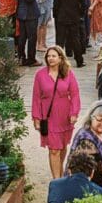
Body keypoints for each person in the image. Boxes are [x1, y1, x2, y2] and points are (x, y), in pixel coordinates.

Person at [32, 45, 81, 179]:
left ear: (60, 58)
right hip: (48, 116)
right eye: (48, 56)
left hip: (64, 116)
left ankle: (60, 173)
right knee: (54, 150)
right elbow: (36, 97)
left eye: (54, 56)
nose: (50, 59)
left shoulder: (68, 73)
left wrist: (74, 113)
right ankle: (57, 180)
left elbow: (75, 94)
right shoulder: (40, 75)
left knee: (62, 147)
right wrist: (36, 118)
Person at [52, 0, 87, 67]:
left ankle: (57, 62)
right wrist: (80, 14)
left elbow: (56, 3)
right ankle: (79, 61)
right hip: (74, 16)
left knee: (60, 40)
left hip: (61, 16)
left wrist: (55, 15)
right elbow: (84, 3)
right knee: (75, 39)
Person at [13, 0, 39, 65]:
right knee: (32, 37)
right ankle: (31, 59)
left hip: (21, 11)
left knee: (22, 36)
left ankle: (21, 57)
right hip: (30, 13)